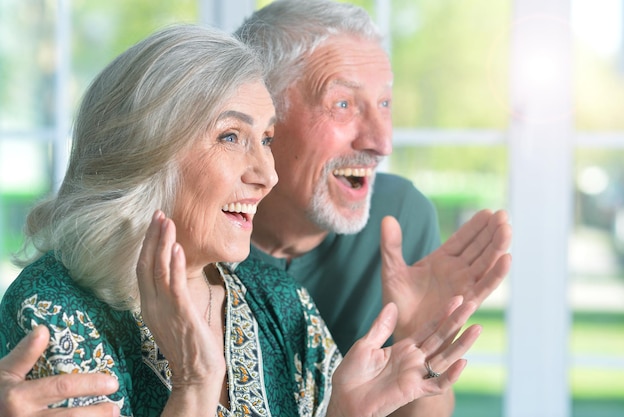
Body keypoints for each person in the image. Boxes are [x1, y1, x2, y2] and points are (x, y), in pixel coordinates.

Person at [0, 24, 484, 417]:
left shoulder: (277, 298)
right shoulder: (52, 312)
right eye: (231, 137)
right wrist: (194, 386)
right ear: (146, 153)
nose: (266, 174)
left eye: (267, 139)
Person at [235, 1, 512, 415]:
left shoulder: (399, 215)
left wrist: (420, 343)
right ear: (261, 117)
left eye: (384, 104)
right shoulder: (198, 229)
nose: (381, 143)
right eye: (343, 104)